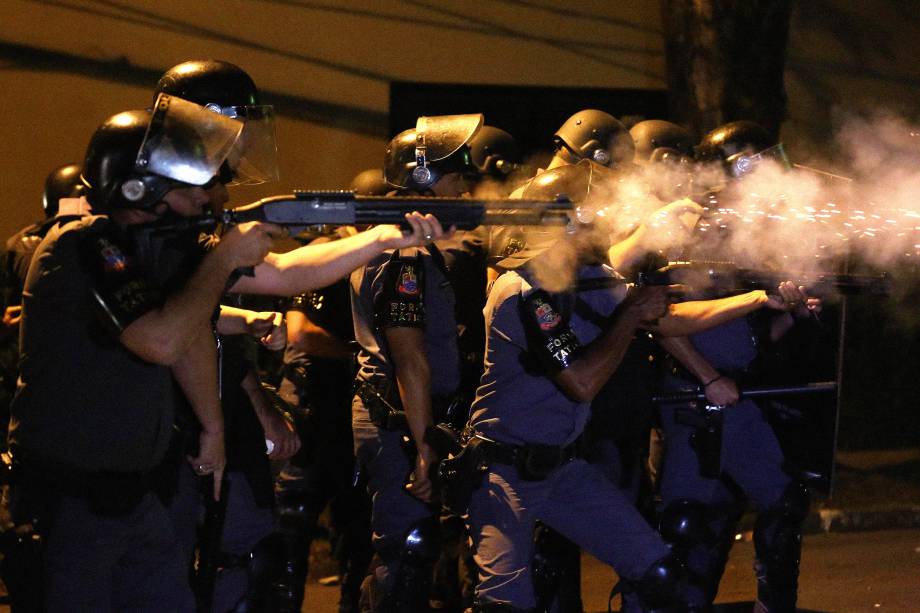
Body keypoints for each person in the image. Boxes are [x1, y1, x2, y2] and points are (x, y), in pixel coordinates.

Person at [7, 103, 280, 611]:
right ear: (140, 190)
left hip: (134, 498)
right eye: (190, 184)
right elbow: (162, 339)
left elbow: (191, 326)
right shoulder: (83, 247)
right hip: (72, 504)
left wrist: (213, 431)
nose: (206, 196)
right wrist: (222, 260)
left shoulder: (140, 246)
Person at [654, 121, 820, 612]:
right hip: (695, 396)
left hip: (735, 393)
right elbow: (661, 322)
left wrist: (792, 313)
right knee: (690, 525)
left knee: (779, 502)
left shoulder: (750, 235)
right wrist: (707, 376)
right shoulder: (694, 231)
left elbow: (751, 336)